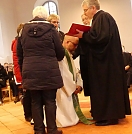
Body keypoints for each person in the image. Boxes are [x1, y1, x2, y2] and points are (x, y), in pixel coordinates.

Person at [73, 0, 131, 126]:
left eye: (85, 10)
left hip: (107, 64)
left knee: (107, 88)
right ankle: (105, 115)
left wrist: (84, 35)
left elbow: (101, 38)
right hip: (106, 63)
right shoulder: (100, 18)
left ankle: (110, 117)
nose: (85, 13)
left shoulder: (103, 17)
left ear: (93, 8)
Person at [17, 6, 65, 134]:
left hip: (30, 70)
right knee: (50, 101)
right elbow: (60, 52)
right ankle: (52, 129)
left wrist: (24, 70)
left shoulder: (23, 31)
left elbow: (19, 54)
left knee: (35, 101)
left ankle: (38, 130)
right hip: (49, 70)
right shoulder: (51, 30)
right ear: (45, 16)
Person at [56, 35, 92, 127]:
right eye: (75, 45)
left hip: (70, 87)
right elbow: (63, 74)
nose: (76, 47)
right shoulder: (60, 55)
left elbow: (76, 72)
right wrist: (73, 87)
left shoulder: (69, 55)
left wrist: (79, 84)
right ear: (67, 42)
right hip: (62, 88)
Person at [11, 23, 32, 121]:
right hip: (21, 71)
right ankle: (27, 114)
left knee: (28, 93)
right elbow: (18, 59)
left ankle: (29, 113)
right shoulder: (17, 42)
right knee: (27, 94)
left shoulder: (18, 41)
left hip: (23, 71)